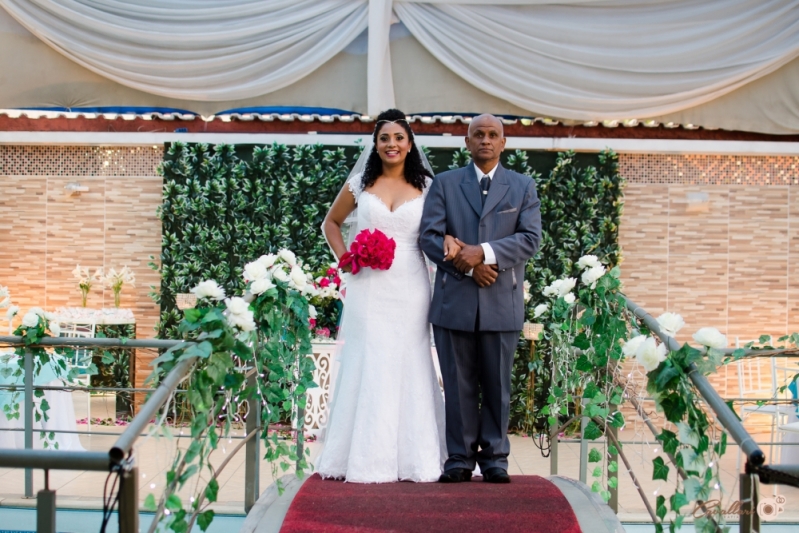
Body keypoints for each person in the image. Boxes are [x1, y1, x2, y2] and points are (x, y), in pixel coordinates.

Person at [315, 108, 447, 483]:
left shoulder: (428, 186)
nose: (392, 144)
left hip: (411, 282)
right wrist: (344, 256)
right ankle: (363, 457)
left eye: (399, 138)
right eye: (384, 138)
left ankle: (416, 457)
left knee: (410, 358)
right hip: (368, 286)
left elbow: (440, 233)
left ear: (410, 144)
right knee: (368, 358)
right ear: (375, 144)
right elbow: (331, 222)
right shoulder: (361, 183)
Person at [420, 114, 542, 484]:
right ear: (466, 142)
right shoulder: (444, 184)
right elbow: (429, 237)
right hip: (453, 301)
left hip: (501, 301)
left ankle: (495, 458)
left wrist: (484, 253)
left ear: (503, 143)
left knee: (498, 384)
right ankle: (458, 457)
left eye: (493, 135)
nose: (486, 140)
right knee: (457, 385)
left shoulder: (522, 187)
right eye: (478, 135)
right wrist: (469, 267)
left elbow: (530, 239)